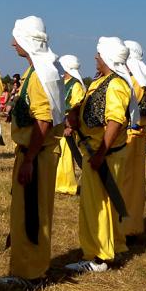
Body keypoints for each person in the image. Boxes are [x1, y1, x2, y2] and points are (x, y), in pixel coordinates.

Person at [64, 37, 137, 274]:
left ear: (106, 57)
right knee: (106, 203)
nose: (95, 57)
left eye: (98, 54)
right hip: (95, 151)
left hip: (103, 155)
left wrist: (100, 153)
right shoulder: (102, 80)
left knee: (98, 206)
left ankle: (97, 256)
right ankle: (114, 245)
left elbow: (115, 120)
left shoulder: (116, 84)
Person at [2, 17, 66, 284]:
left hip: (37, 154)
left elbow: (44, 119)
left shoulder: (40, 74)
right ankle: (28, 267)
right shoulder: (34, 71)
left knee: (33, 211)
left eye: (16, 38)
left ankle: (32, 272)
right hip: (33, 152)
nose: (12, 43)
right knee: (26, 210)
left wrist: (29, 159)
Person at [120, 40, 146, 237]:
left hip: (129, 137)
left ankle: (122, 227)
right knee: (134, 184)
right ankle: (132, 225)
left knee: (124, 183)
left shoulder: (132, 81)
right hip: (138, 137)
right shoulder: (142, 78)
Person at [54, 54, 86, 195]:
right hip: (58, 124)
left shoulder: (75, 85)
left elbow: (77, 107)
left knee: (66, 155)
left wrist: (70, 126)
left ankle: (66, 185)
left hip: (67, 125)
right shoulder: (62, 82)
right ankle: (57, 182)